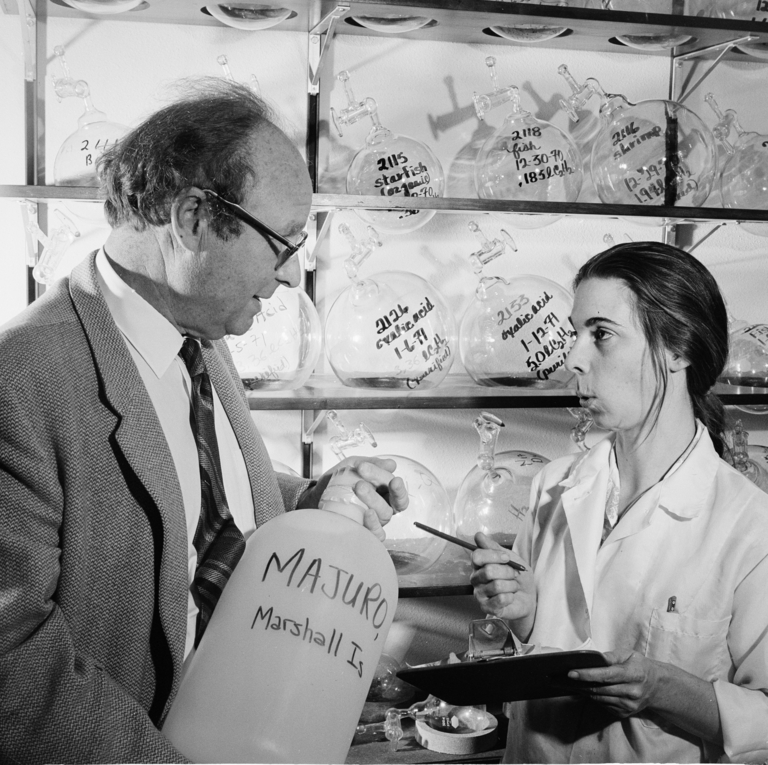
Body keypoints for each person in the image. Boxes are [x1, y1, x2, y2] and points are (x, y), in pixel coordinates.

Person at [0, 78, 408, 764]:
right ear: (192, 218)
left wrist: (311, 498)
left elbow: (185, 491)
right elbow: (11, 660)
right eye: (281, 244)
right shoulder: (21, 378)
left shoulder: (199, 339)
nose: (289, 277)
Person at [471, 241, 768, 763]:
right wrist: (523, 614)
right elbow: (545, 649)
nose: (572, 358)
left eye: (601, 335)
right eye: (574, 333)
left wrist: (663, 690)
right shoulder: (553, 486)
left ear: (679, 349)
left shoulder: (749, 527)